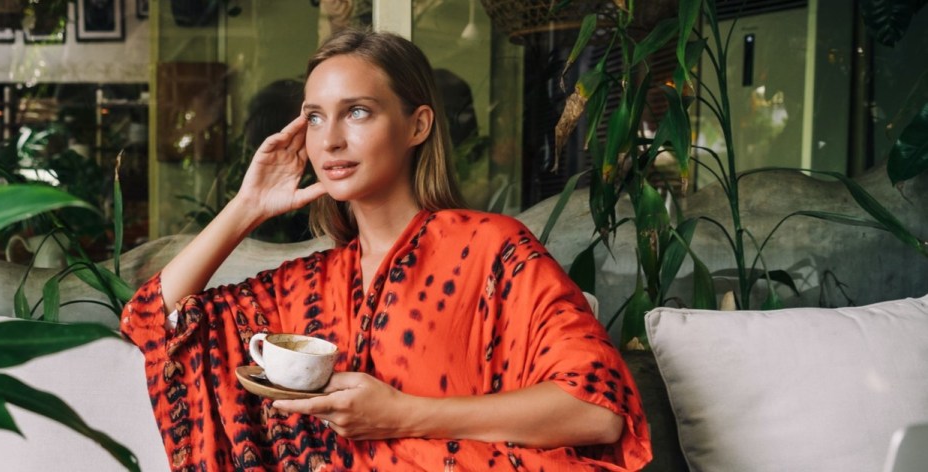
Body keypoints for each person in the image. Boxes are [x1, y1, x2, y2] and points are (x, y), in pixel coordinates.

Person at [121, 28, 652, 471]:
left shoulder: (492, 249)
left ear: (417, 125)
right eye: (313, 117)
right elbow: (151, 319)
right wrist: (248, 205)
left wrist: (403, 414)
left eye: (356, 112)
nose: (328, 141)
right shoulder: (305, 286)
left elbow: (596, 410)